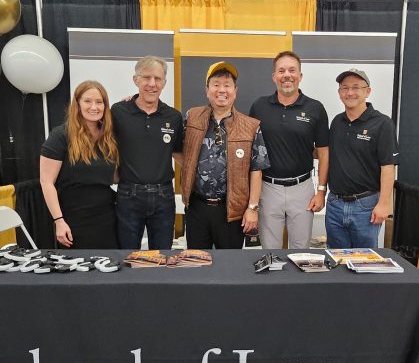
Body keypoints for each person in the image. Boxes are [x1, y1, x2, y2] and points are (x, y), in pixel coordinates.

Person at [181, 61, 270, 249]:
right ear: (207, 89)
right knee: (197, 264)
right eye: (216, 84)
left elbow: (257, 169)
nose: (222, 90)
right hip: (197, 208)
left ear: (235, 91)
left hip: (231, 211)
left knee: (230, 269)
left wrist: (252, 208)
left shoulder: (251, 127)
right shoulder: (191, 117)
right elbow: (175, 148)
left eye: (227, 85)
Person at [248, 51, 329, 249]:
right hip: (268, 189)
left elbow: (324, 152)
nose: (287, 75)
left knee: (301, 250)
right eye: (281, 70)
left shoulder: (315, 108)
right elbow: (252, 152)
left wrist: (321, 191)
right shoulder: (259, 106)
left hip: (303, 189)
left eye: (292, 70)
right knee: (269, 250)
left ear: (300, 76)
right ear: (274, 76)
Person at [111, 56, 183, 250]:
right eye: (146, 77)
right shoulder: (118, 112)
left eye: (158, 79)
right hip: (128, 195)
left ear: (164, 83)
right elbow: (105, 148)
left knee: (162, 256)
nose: (152, 84)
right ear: (136, 80)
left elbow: (180, 155)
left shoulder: (174, 117)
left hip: (164, 197)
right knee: (128, 256)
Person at [39, 80, 119, 249]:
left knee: (110, 269)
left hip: (107, 217)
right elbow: (46, 182)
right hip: (73, 218)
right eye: (87, 101)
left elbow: (113, 177)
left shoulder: (109, 138)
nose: (94, 107)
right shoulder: (60, 136)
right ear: (77, 104)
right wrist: (59, 221)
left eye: (99, 102)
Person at [326, 69, 399, 249]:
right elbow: (327, 154)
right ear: (339, 93)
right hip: (335, 204)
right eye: (345, 88)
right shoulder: (336, 122)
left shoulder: (382, 124)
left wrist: (384, 204)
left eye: (356, 87)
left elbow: (388, 167)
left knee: (365, 263)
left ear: (368, 91)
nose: (350, 92)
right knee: (336, 260)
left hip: (365, 206)